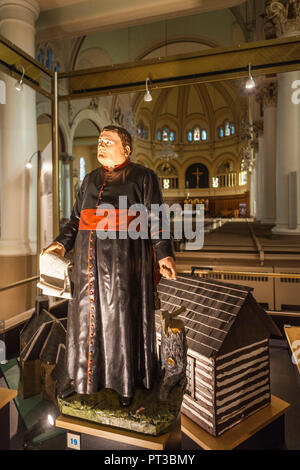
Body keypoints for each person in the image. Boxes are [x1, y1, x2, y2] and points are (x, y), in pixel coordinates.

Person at [43, 125, 176, 407]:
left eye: (108, 141)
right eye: (99, 141)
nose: (101, 145)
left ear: (126, 149)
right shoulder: (90, 180)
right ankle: (81, 379)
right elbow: (76, 220)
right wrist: (61, 243)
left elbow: (155, 218)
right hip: (86, 268)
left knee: (120, 322)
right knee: (84, 324)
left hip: (124, 266)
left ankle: (126, 384)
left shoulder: (143, 177)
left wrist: (163, 253)